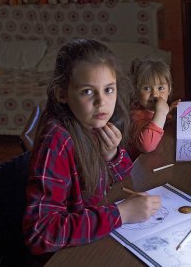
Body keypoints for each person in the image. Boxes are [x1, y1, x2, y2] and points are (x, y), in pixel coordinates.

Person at [23, 39, 161, 257]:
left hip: (93, 238)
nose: (101, 102)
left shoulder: (93, 122)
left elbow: (124, 182)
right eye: (87, 91)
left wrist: (112, 156)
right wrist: (121, 214)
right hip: (68, 256)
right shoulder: (56, 142)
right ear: (61, 93)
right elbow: (40, 233)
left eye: (108, 90)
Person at [127, 57, 180, 160]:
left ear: (169, 89)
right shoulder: (136, 116)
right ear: (136, 92)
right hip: (140, 168)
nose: (155, 94)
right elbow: (147, 146)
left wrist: (167, 114)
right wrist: (161, 113)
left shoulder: (151, 110)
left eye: (160, 88)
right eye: (146, 88)